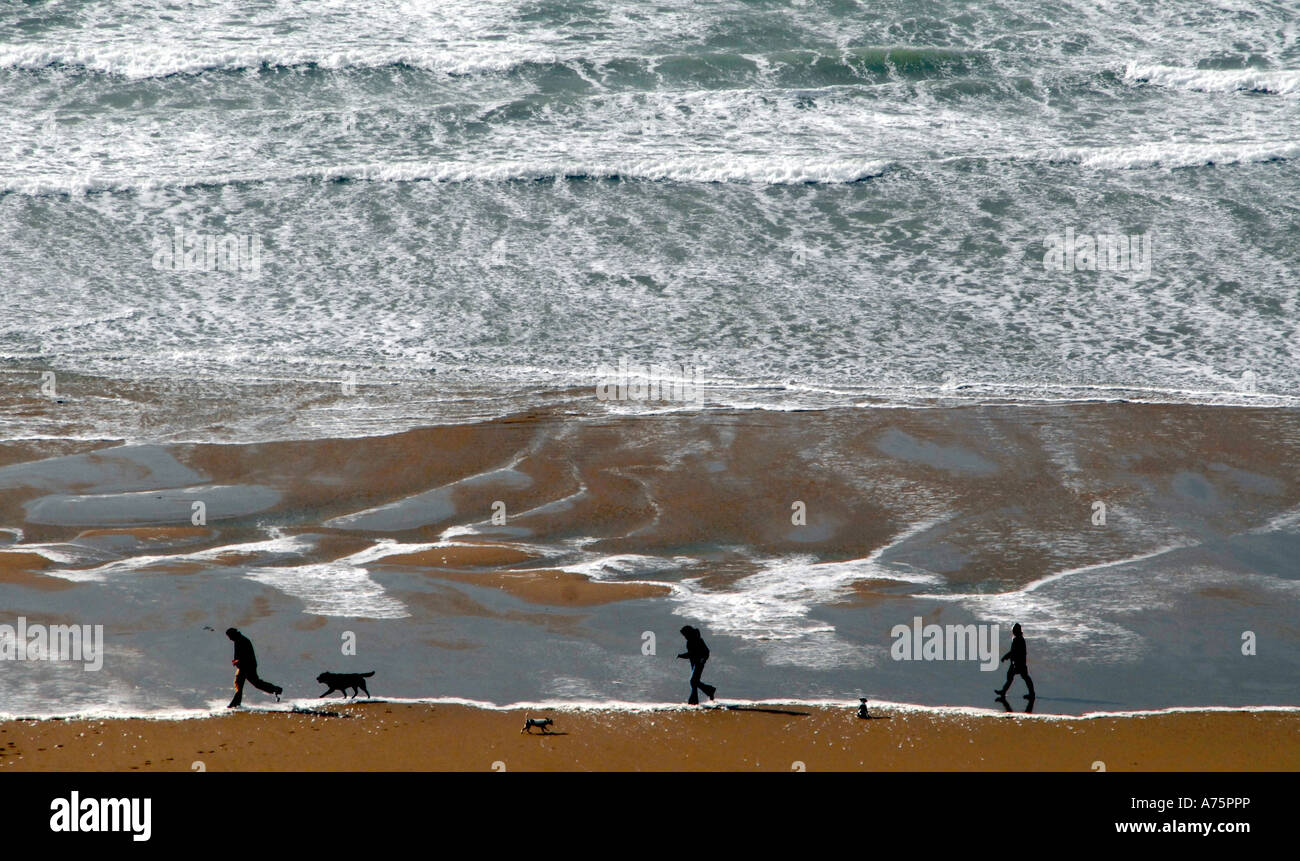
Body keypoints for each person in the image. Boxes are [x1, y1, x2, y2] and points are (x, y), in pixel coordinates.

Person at [225, 627, 283, 708]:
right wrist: (236, 661)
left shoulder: (242, 641)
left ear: (233, 634)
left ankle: (235, 704)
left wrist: (238, 661)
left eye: (230, 636)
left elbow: (246, 656)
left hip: (247, 666)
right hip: (245, 666)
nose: (230, 639)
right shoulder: (238, 640)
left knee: (240, 684)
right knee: (255, 683)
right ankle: (275, 689)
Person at [677, 625, 717, 705]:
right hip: (694, 663)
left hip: (699, 663)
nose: (684, 637)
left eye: (685, 634)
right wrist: (683, 656)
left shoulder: (698, 640)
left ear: (689, 633)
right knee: (694, 681)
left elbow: (706, 652)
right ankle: (708, 691)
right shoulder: (690, 641)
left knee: (693, 681)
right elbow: (691, 654)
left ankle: (694, 700)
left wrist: (703, 659)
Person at [995, 622, 1035, 700]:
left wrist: (1006, 657)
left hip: (1018, 663)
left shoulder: (1018, 640)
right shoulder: (1018, 639)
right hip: (1017, 662)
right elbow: (1014, 651)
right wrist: (1007, 657)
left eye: (1014, 630)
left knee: (1023, 677)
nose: (1013, 632)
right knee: (1015, 677)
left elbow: (1015, 652)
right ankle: (1004, 691)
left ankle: (1031, 693)